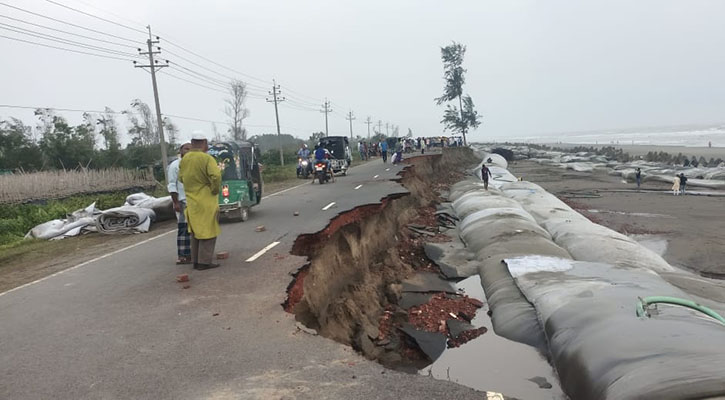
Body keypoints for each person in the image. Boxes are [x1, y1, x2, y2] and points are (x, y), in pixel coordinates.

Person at [179, 132, 222, 270]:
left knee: (196, 231)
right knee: (209, 230)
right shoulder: (206, 158)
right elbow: (215, 176)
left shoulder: (185, 159)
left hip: (191, 200)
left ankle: (196, 261)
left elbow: (181, 178)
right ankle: (205, 262)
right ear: (204, 143)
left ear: (192, 143)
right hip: (206, 199)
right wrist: (214, 189)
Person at [168, 143, 192, 264]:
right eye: (186, 148)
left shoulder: (193, 164)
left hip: (193, 200)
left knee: (194, 228)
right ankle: (182, 255)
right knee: (183, 227)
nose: (188, 151)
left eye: (191, 149)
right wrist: (175, 202)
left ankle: (191, 254)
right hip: (182, 201)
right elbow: (172, 185)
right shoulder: (175, 165)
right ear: (181, 151)